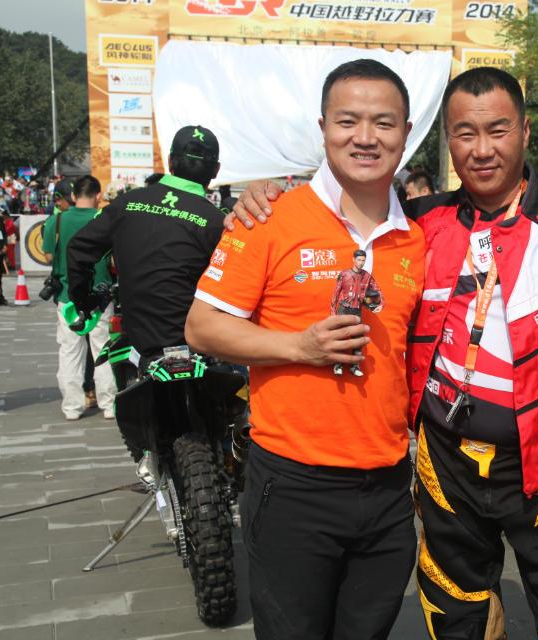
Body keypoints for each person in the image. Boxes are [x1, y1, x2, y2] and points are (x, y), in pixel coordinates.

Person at [231, 65, 538, 640]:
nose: (482, 150)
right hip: (445, 463)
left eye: (497, 130)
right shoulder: (417, 225)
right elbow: (344, 214)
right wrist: (264, 195)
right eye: (464, 134)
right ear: (446, 141)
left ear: (525, 131)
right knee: (457, 614)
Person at [184, 60, 425, 640]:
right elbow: (202, 327)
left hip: (389, 488)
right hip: (294, 487)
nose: (365, 137)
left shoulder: (418, 237)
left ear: (406, 133)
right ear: (323, 128)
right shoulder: (269, 217)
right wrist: (298, 346)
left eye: (383, 123)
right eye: (348, 121)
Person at [67, 125, 225, 367]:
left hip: (138, 346)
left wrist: (83, 301)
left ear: (170, 161)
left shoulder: (127, 203)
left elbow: (78, 249)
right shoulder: (217, 221)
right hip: (194, 347)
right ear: (216, 170)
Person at [41, 175, 116, 421]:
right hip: (100, 296)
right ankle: (109, 404)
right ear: (98, 196)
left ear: (73, 196)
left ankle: (72, 407)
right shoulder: (104, 219)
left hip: (67, 296)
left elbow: (48, 257)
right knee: (103, 349)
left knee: (70, 351)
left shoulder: (56, 221)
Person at [330, 248, 383, 377]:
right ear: (353, 259)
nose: (361, 263)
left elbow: (377, 290)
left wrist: (380, 304)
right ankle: (338, 364)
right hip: (343, 309)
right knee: (341, 337)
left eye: (363, 260)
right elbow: (335, 293)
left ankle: (354, 366)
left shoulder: (367, 276)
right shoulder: (344, 274)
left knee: (357, 339)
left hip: (357, 310)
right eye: (359, 260)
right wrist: (332, 312)